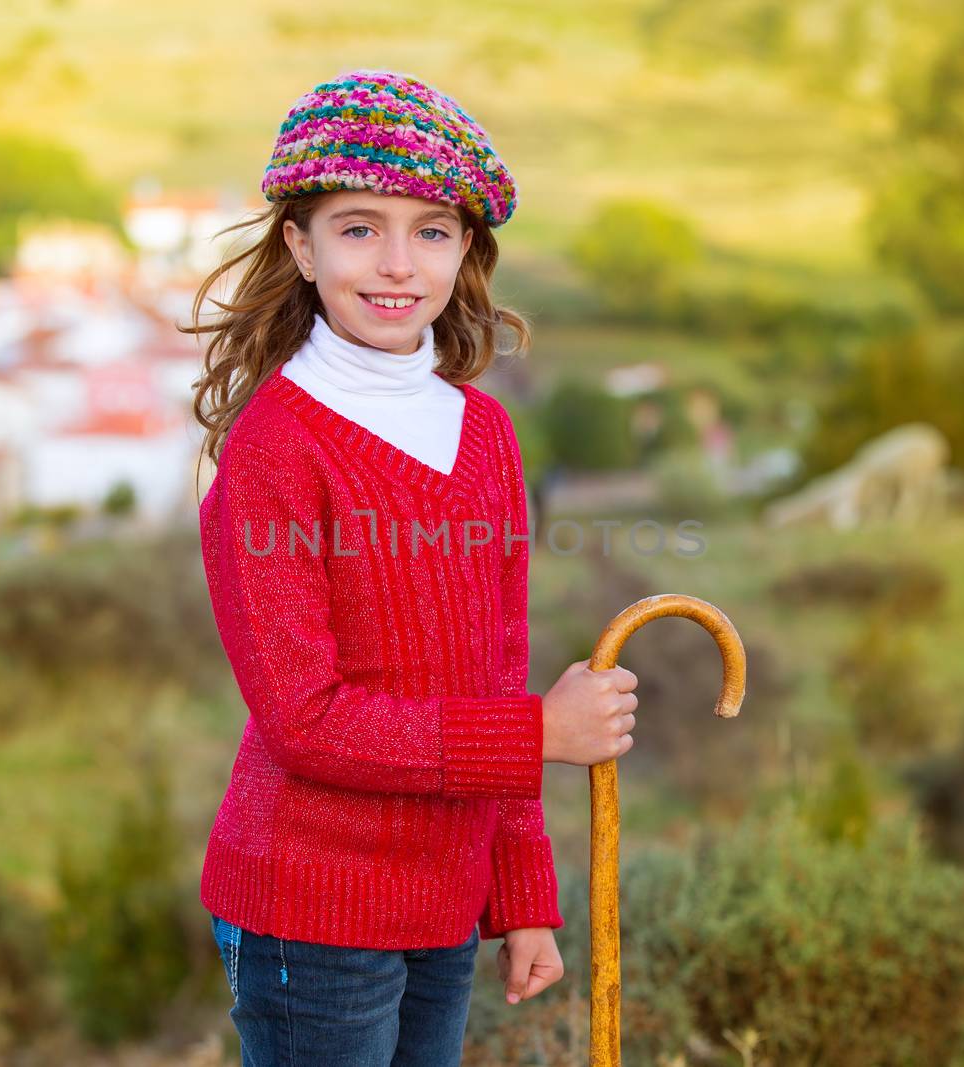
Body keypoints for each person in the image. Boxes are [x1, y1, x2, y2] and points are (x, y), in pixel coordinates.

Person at [183, 68, 639, 1067]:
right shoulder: (274, 451)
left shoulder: (483, 432)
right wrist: (539, 733)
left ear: (467, 246)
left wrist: (522, 896)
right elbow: (305, 719)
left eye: (431, 229)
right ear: (299, 243)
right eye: (358, 227)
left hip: (446, 898)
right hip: (310, 908)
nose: (397, 264)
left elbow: (493, 670)